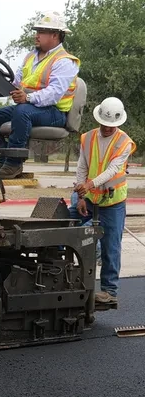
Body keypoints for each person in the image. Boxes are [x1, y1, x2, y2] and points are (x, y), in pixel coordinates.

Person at [0, 11, 80, 179]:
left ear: (55, 35)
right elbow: (17, 81)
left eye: (41, 32)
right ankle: (2, 159)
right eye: (37, 31)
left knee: (22, 111)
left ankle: (14, 163)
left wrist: (27, 98)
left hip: (54, 112)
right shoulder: (30, 57)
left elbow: (54, 94)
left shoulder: (65, 61)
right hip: (30, 107)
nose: (36, 36)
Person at [72, 97, 136, 306]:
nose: (107, 129)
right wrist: (81, 195)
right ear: (99, 119)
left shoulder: (124, 142)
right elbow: (82, 166)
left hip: (112, 203)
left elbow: (112, 170)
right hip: (89, 200)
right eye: (104, 125)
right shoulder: (88, 138)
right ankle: (73, 282)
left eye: (111, 126)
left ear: (118, 123)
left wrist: (89, 185)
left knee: (111, 248)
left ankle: (109, 291)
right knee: (71, 233)